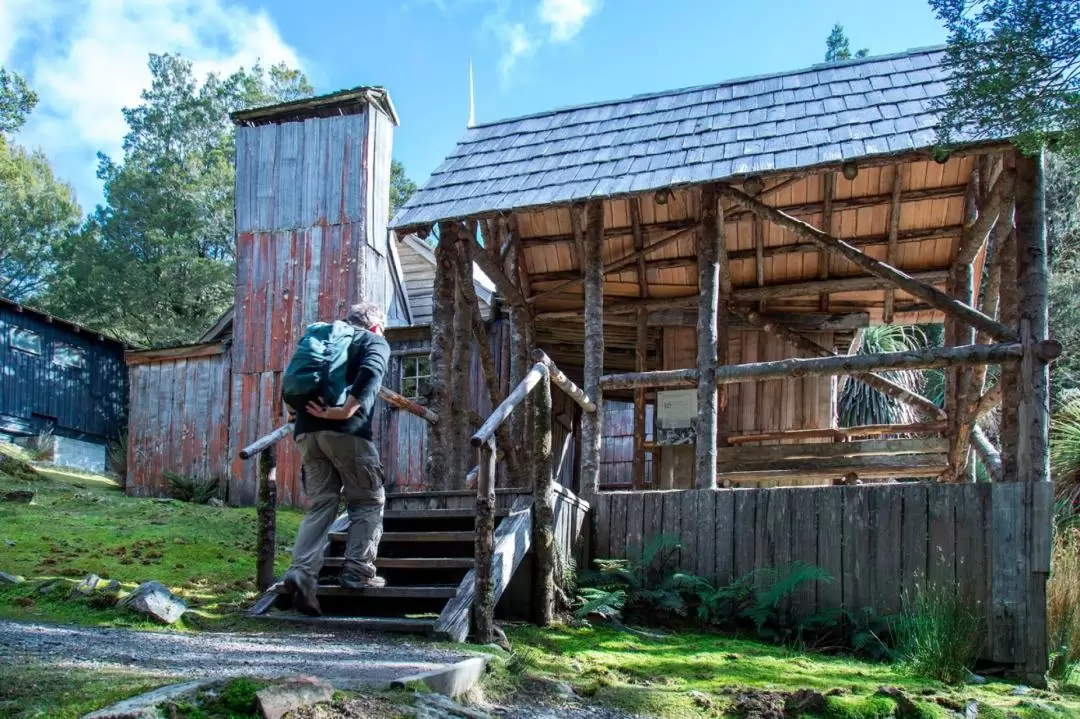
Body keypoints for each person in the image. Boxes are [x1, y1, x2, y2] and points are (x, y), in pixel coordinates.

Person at [282, 301, 391, 616]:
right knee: (368, 501)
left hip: (307, 433)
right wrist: (347, 409)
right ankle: (358, 570)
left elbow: (289, 381)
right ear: (375, 325)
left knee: (321, 505)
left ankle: (301, 573)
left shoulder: (321, 340)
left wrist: (295, 414)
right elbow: (372, 370)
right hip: (347, 432)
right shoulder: (373, 340)